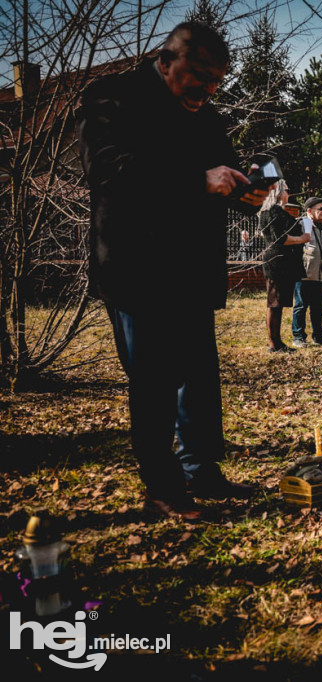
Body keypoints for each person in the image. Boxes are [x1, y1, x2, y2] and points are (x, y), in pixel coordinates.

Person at [76, 22, 264, 520]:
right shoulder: (111, 98)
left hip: (192, 268)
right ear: (166, 61)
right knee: (155, 378)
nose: (207, 89)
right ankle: (163, 486)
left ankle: (202, 470)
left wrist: (250, 195)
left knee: (198, 377)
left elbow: (223, 177)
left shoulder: (207, 116)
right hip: (137, 264)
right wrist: (199, 180)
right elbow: (109, 171)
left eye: (216, 81)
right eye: (198, 75)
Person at [259, 180, 309, 352]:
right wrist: (301, 239)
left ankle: (277, 342)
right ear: (279, 192)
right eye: (287, 190)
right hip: (277, 262)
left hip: (281, 262)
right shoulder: (273, 211)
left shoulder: (272, 211)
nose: (289, 193)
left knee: (277, 303)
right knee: (275, 304)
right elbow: (280, 239)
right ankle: (274, 344)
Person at [292, 197, 322, 347]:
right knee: (301, 306)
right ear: (309, 211)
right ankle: (298, 337)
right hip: (304, 273)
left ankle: (318, 336)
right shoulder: (301, 224)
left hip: (321, 274)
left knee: (318, 307)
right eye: (320, 209)